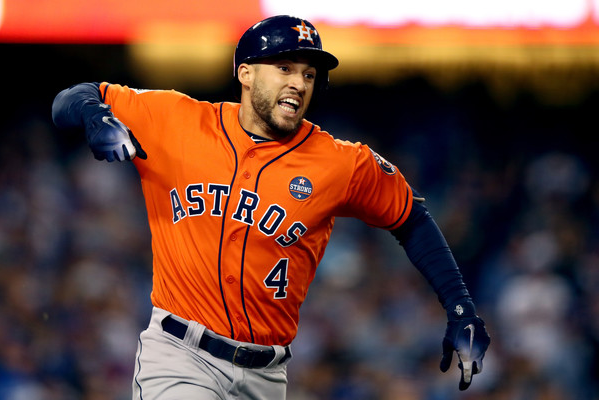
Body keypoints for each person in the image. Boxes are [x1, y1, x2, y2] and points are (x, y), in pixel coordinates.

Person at [52, 14, 490, 399]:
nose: (298, 84)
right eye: (284, 68)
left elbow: (410, 216)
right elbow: (71, 97)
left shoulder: (340, 162)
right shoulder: (176, 120)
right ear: (245, 73)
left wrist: (461, 307)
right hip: (180, 356)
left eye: (309, 74)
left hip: (267, 375)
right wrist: (95, 115)